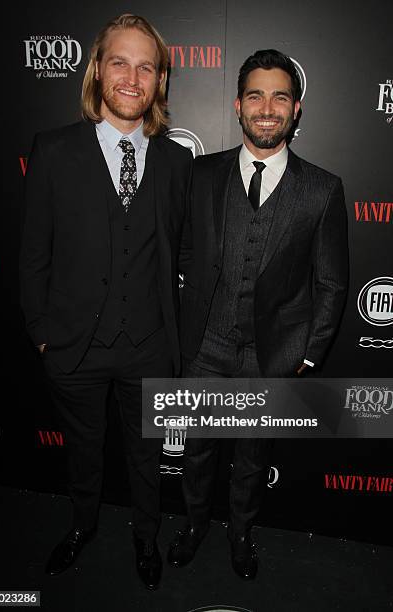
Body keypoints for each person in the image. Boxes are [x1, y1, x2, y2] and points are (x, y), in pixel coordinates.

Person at [20, 14, 192, 590]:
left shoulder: (176, 163)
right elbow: (32, 255)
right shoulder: (54, 150)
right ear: (97, 69)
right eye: (120, 61)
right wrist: (43, 331)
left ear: (159, 81)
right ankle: (81, 526)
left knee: (146, 460)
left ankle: (146, 537)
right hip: (75, 346)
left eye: (146, 66)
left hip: (148, 349)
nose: (132, 76)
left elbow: (182, 254)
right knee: (83, 454)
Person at [169, 49, 348, 580]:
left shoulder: (322, 189)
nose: (266, 107)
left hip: (269, 356)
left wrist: (308, 357)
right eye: (255, 96)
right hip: (204, 347)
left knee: (250, 457)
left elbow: (332, 283)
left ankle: (240, 533)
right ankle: (195, 524)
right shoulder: (200, 174)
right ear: (237, 105)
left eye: (280, 97)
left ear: (296, 110)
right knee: (197, 450)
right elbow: (179, 254)